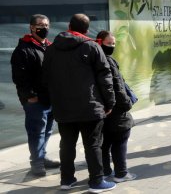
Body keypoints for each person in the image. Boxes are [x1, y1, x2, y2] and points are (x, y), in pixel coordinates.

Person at [42, 14, 117, 193]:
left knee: (66, 144)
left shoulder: (52, 49)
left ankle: (66, 180)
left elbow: (45, 77)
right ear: (86, 29)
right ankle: (96, 181)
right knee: (92, 144)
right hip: (89, 107)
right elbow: (105, 77)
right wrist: (110, 102)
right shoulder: (92, 47)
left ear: (69, 26)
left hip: (63, 107)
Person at [10, 14, 60, 177]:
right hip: (35, 100)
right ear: (31, 27)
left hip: (50, 98)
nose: (44, 28)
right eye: (40, 25)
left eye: (46, 25)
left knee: (46, 131)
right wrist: (30, 96)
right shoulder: (23, 49)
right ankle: (36, 163)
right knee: (36, 131)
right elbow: (19, 77)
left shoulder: (50, 47)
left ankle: (42, 157)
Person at [96, 31, 136, 183]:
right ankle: (121, 173)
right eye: (109, 43)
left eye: (114, 43)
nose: (112, 46)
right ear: (99, 42)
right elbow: (117, 86)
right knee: (120, 139)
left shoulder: (93, 61)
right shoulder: (107, 61)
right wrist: (126, 103)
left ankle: (106, 171)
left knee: (105, 142)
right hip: (116, 108)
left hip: (103, 109)